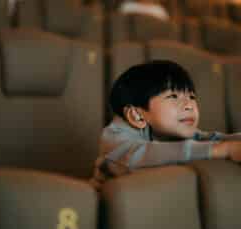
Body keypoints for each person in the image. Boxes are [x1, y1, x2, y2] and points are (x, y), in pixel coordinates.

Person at [91, 60, 241, 189]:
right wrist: (223, 150)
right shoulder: (114, 137)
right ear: (136, 115)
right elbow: (140, 155)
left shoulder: (173, 132)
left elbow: (214, 139)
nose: (189, 105)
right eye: (173, 96)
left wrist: (233, 141)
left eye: (191, 96)